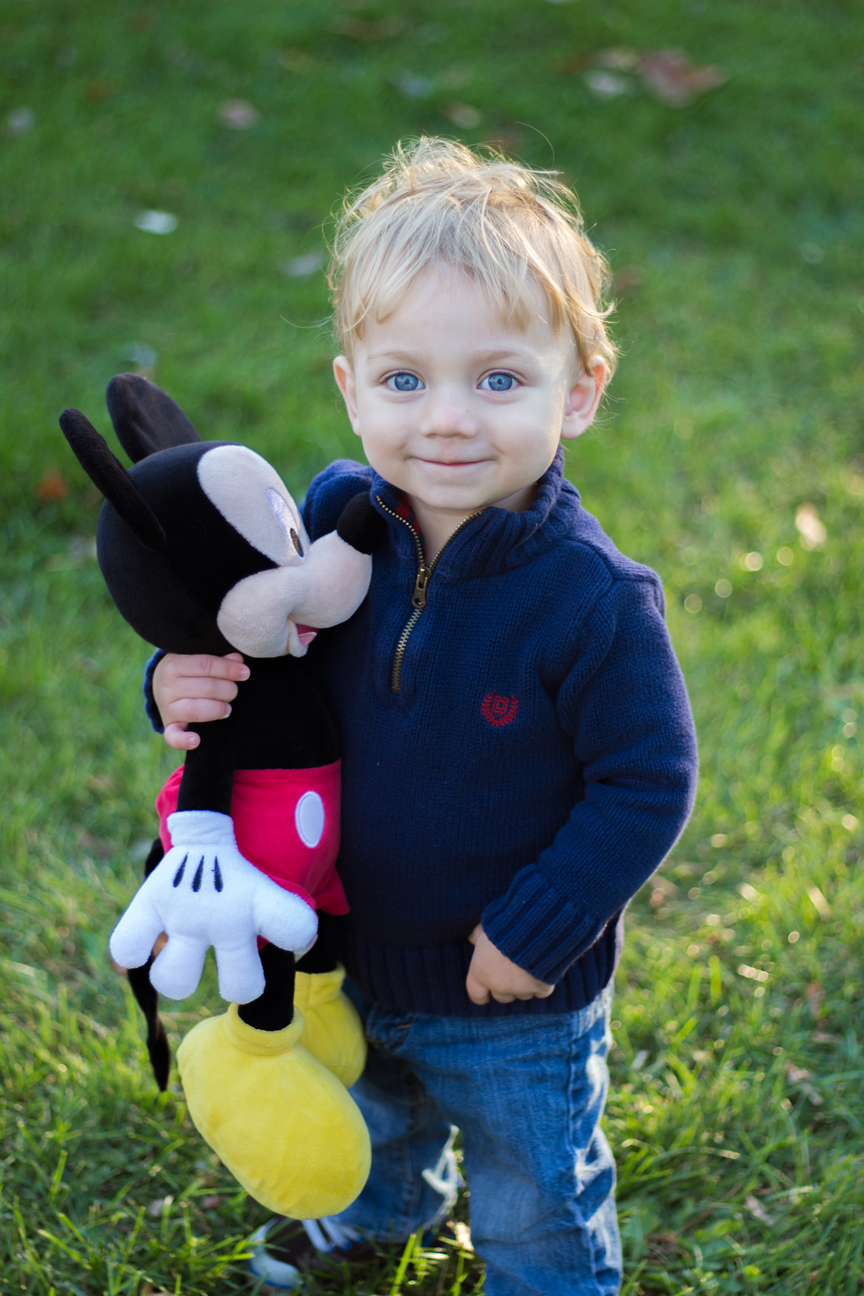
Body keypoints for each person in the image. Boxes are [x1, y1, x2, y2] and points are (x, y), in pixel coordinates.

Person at [144, 138, 698, 1295]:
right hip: (342, 945)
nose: (446, 420)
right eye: (405, 381)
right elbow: (253, 645)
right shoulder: (326, 522)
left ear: (579, 391)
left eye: (498, 380)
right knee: (376, 1108)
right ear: (351, 387)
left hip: (511, 988)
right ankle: (382, 1212)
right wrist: (175, 682)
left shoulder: (591, 599)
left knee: (532, 1188)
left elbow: (647, 780)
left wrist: (538, 929)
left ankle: (550, 1279)